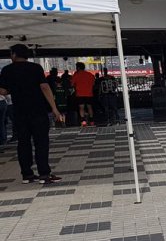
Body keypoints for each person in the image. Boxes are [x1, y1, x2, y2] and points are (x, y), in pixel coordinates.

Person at [0, 44, 65, 184]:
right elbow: (44, 86)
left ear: (14, 55)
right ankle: (44, 174)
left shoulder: (6, 70)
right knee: (41, 142)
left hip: (19, 112)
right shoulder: (35, 68)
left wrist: (16, 88)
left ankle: (27, 175)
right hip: (38, 110)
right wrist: (54, 108)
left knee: (23, 143)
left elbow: (3, 91)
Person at [71, 62, 95, 126]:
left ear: (78, 67)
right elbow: (93, 84)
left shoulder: (76, 75)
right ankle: (92, 120)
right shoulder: (90, 74)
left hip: (80, 94)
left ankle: (83, 121)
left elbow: (72, 84)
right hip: (89, 94)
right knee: (89, 107)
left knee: (81, 107)